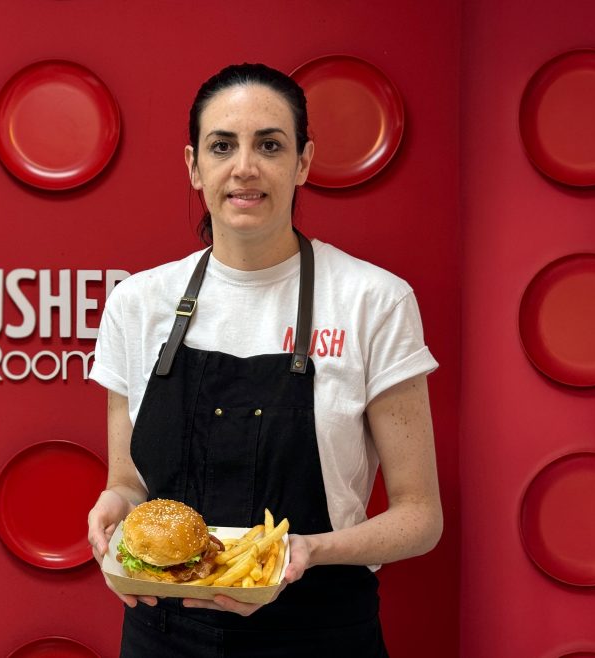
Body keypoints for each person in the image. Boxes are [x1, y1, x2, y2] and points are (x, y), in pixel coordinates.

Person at [86, 62, 442, 657]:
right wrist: (112, 509)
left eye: (269, 145)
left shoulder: (373, 300)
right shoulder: (137, 304)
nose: (244, 167)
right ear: (193, 166)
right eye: (221, 145)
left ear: (302, 162)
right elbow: (127, 480)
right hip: (165, 635)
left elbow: (420, 516)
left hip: (320, 632)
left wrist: (303, 552)